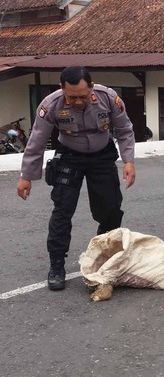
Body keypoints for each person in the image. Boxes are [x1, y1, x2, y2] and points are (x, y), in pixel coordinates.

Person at [17, 66, 135, 291]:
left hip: (102, 156)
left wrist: (129, 161)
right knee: (63, 210)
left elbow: (124, 130)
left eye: (82, 96)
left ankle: (105, 259)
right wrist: (26, 176)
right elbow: (37, 140)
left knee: (110, 209)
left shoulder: (108, 99)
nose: (78, 101)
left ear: (91, 87)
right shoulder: (50, 105)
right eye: (71, 97)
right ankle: (57, 265)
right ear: (62, 90)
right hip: (69, 156)